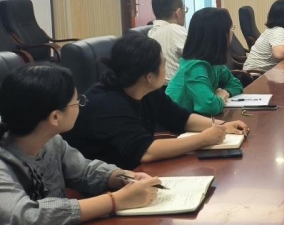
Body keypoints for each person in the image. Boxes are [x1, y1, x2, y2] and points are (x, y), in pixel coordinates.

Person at [0, 65, 159, 225]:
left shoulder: (51, 141)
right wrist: (115, 201)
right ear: (55, 117)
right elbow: (27, 216)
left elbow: (84, 171)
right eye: (77, 101)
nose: (80, 106)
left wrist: (124, 177)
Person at [63, 32, 249, 170]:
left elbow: (181, 118)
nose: (166, 68)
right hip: (99, 183)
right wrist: (203, 139)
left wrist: (222, 126)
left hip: (131, 171)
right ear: (149, 76)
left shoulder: (146, 90)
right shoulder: (108, 104)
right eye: (163, 63)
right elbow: (146, 151)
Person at [166, 7, 244, 115]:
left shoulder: (214, 64)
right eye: (231, 28)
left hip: (195, 119)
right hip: (175, 123)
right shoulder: (195, 68)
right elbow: (209, 106)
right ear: (220, 35)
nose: (232, 32)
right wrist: (220, 97)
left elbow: (236, 84)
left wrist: (226, 92)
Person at [243, 0, 284, 72]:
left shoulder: (281, 30)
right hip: (256, 74)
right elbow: (279, 54)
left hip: (266, 72)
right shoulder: (278, 31)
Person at [147, 0, 188, 82]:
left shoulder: (151, 32)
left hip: (159, 86)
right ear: (178, 12)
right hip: (177, 88)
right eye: (184, 10)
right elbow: (199, 57)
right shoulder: (174, 30)